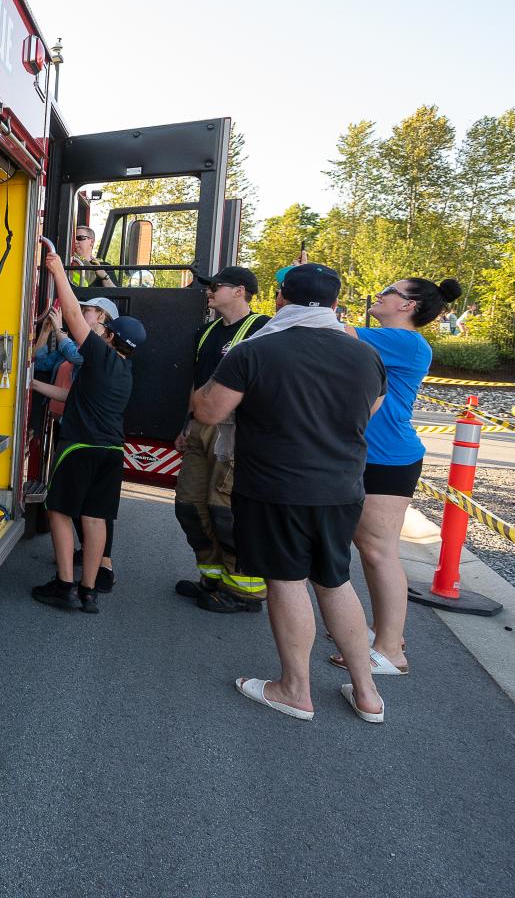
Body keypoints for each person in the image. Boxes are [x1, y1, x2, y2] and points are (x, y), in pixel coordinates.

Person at [192, 263, 389, 723]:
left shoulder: (256, 350)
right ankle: (367, 693)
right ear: (337, 303)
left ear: (280, 299)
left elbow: (209, 411)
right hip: (342, 487)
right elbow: (372, 408)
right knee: (335, 580)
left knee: (286, 580)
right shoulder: (364, 356)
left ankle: (294, 689)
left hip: (274, 485)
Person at [326, 276, 464, 680]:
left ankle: (390, 648)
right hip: (373, 455)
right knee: (370, 548)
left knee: (378, 550)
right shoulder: (388, 338)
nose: (381, 294)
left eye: (390, 291)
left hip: (387, 458)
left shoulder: (404, 341)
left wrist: (315, 288)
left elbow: (331, 326)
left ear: (408, 306)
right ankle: (384, 635)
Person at [29, 247, 144, 614]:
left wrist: (57, 268)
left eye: (103, 328)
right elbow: (71, 394)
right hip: (111, 452)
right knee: (95, 519)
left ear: (109, 337)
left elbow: (75, 315)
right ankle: (88, 591)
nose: (98, 329)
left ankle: (64, 585)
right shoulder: (123, 372)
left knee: (60, 512)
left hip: (79, 447)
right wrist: (32, 385)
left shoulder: (99, 355)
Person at [173, 266, 272, 612]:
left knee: (225, 510)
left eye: (216, 286)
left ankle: (245, 591)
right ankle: (212, 577)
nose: (209, 291)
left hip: (234, 430)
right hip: (201, 427)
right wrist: (187, 424)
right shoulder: (207, 332)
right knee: (189, 505)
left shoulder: (263, 329)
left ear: (240, 290)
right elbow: (196, 383)